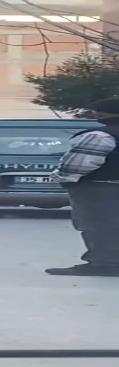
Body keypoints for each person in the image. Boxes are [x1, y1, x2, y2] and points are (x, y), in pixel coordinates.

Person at [48, 97, 119, 277]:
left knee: (100, 226)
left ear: (101, 114)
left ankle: (106, 264)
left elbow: (78, 164)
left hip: (102, 189)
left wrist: (62, 178)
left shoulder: (100, 135)